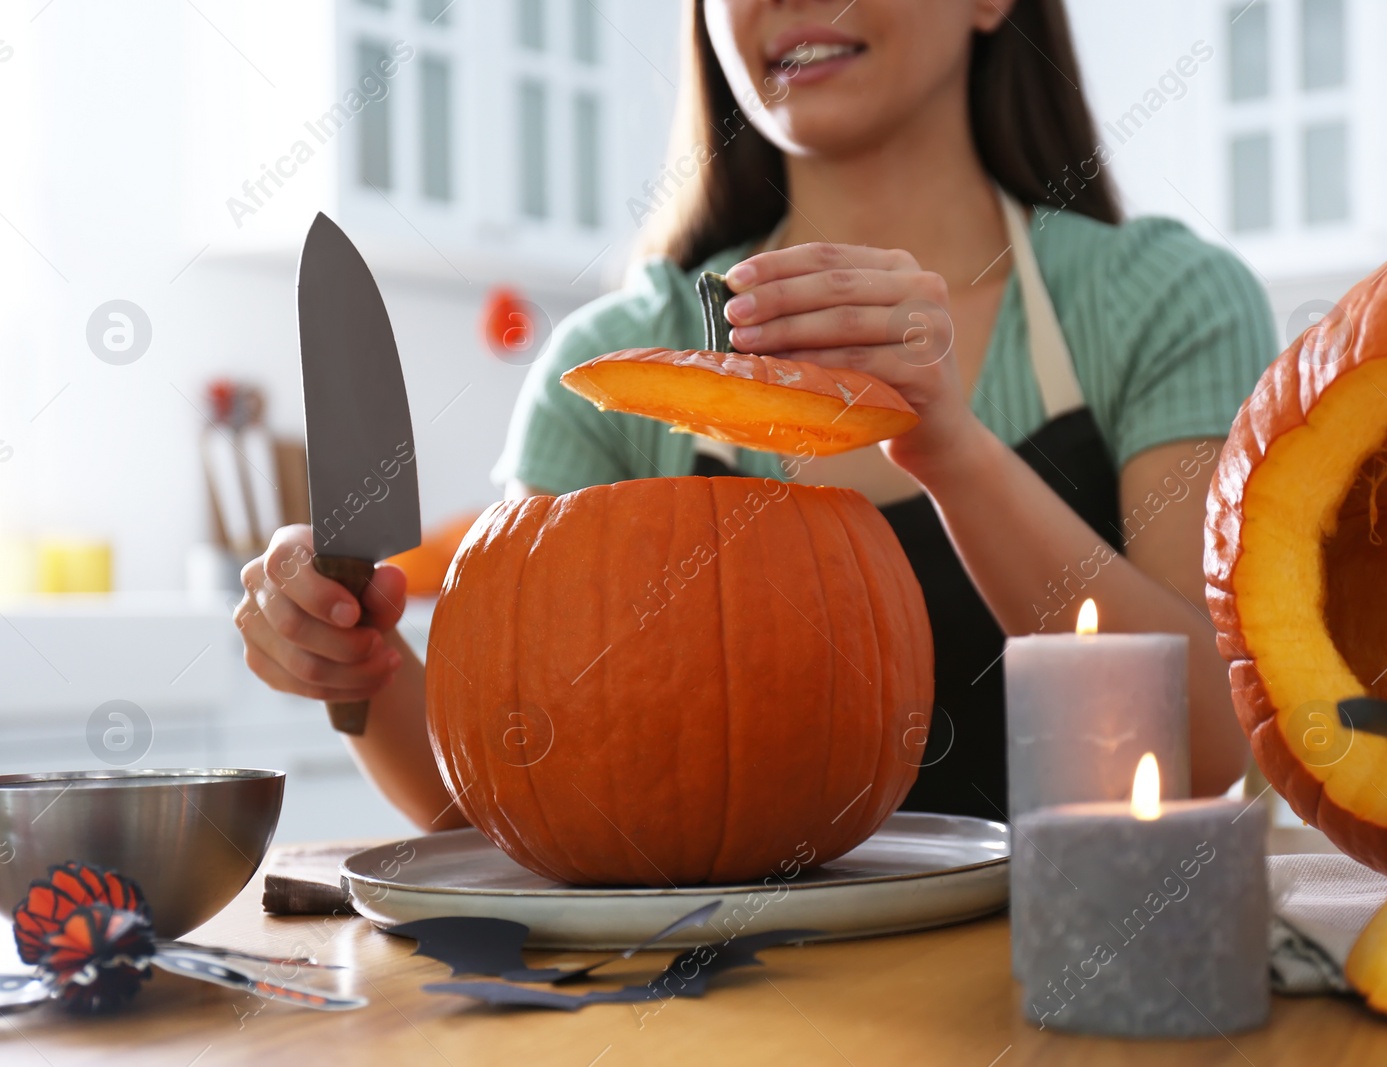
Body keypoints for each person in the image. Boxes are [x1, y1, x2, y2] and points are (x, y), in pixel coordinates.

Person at [234, 0, 1276, 832]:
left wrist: (951, 450)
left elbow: (1207, 748)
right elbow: (509, 801)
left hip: (1065, 994)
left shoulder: (1161, 300)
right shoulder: (609, 368)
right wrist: (363, 668)